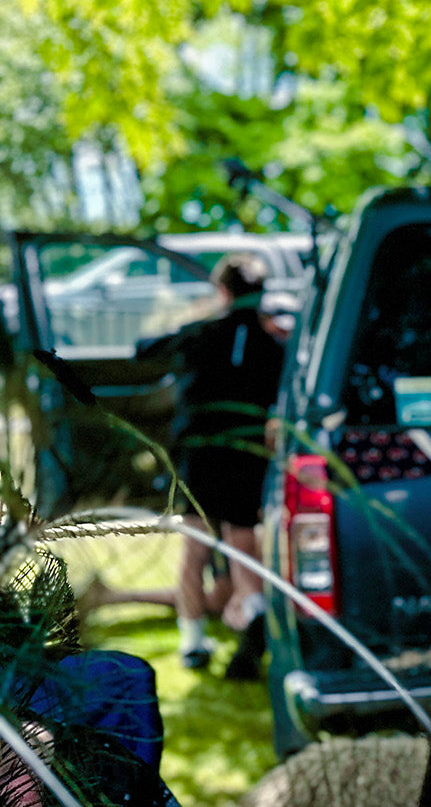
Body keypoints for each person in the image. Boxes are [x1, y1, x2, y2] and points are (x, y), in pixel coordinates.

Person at [141, 252, 286, 677]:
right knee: (242, 539)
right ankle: (255, 616)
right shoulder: (274, 340)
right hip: (245, 450)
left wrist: (195, 317)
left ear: (222, 290)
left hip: (202, 452)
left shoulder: (201, 331)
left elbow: (144, 350)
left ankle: (193, 641)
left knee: (196, 545)